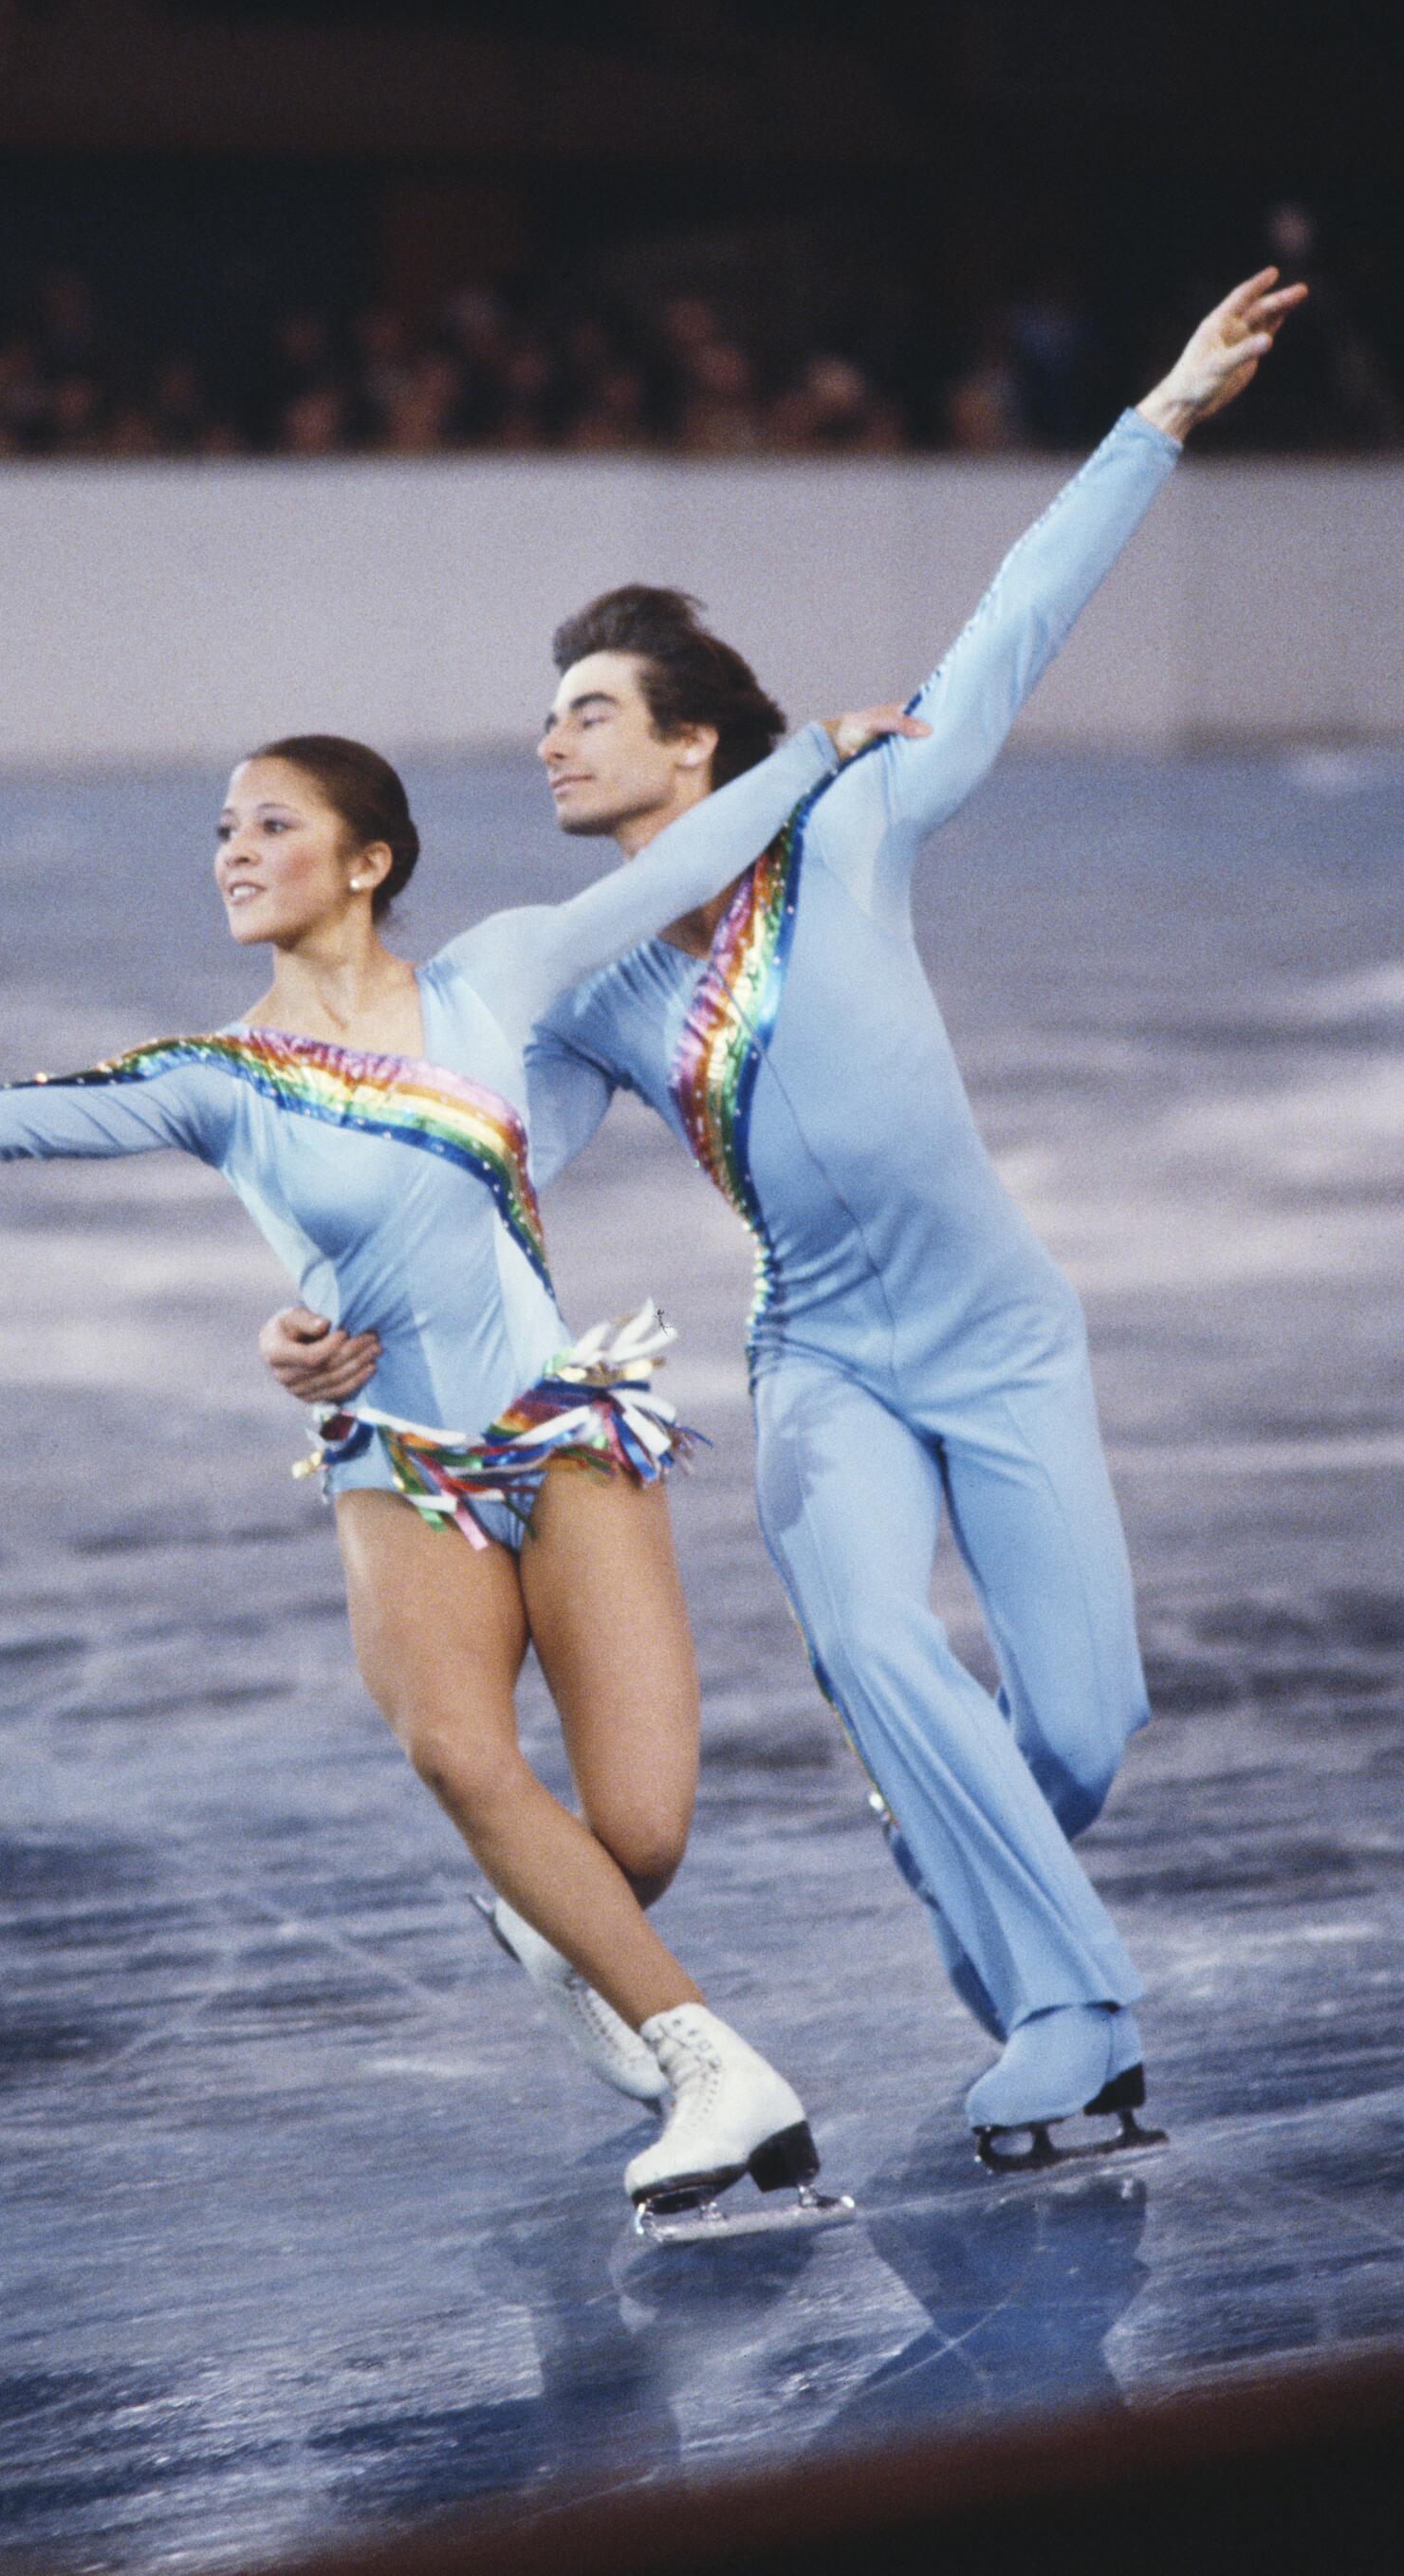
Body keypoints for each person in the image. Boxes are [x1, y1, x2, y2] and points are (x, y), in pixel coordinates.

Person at [0, 700, 914, 2226]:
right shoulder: (223, 1075)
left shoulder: (497, 974)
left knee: (645, 1830)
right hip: (401, 1463)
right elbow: (7, 1122)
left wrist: (815, 753)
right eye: (222, 828)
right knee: (458, 1754)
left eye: (270, 822)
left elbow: (675, 863)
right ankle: (711, 2067)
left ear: (369, 861)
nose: (233, 850)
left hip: (564, 1426)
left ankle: (564, 1926)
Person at [257, 268, 1307, 2172]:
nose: (552, 742)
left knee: (1079, 1723)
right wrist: (322, 1311)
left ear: (691, 753)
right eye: (548, 716)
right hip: (819, 1363)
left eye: (589, 712)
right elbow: (466, 1162)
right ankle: (1070, 2026)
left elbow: (1009, 628)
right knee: (893, 1662)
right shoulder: (575, 990)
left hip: (1002, 1332)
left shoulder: (847, 829)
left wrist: (1156, 412)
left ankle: (962, 1844)